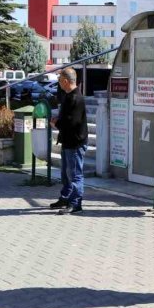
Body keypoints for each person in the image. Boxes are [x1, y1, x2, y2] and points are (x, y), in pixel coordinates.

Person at [50, 68, 88, 214]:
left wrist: (56, 124)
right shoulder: (68, 95)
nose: (59, 83)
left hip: (75, 142)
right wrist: (59, 121)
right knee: (66, 174)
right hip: (67, 141)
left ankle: (76, 203)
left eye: (60, 80)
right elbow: (67, 119)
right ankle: (65, 197)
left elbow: (72, 123)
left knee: (75, 174)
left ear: (66, 81)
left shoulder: (75, 98)